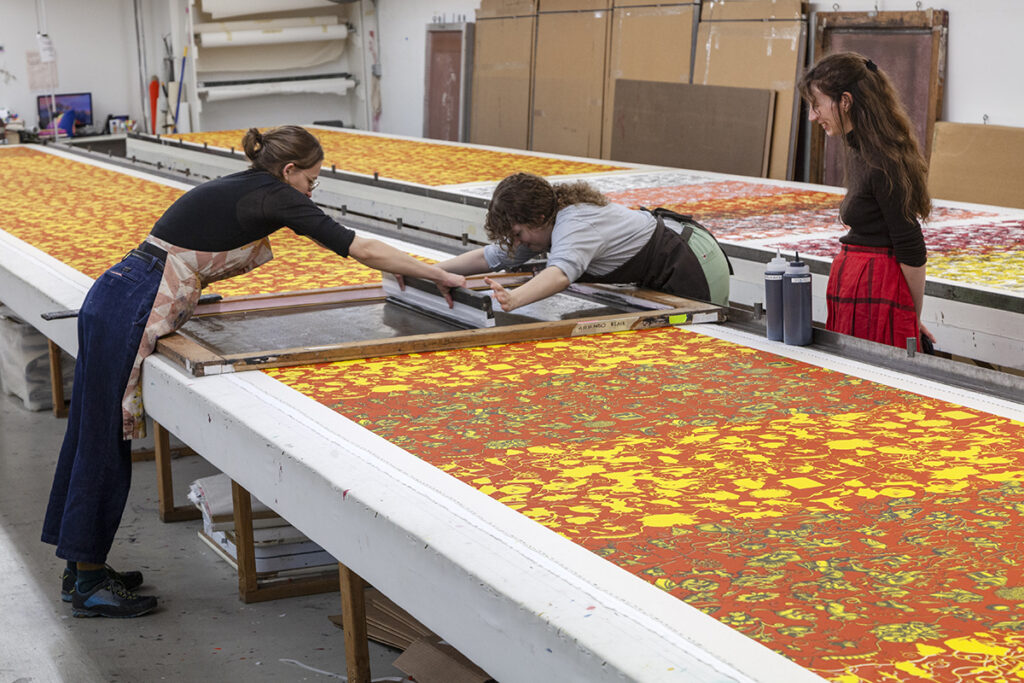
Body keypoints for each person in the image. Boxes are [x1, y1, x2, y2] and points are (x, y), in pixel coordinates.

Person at [41, 125, 466, 618]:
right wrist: (438, 273)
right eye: (312, 179)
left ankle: (82, 569)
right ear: (289, 172)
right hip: (133, 302)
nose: (312, 189)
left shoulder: (246, 186)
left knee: (92, 434)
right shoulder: (275, 195)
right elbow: (358, 247)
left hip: (119, 292)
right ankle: (89, 581)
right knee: (102, 439)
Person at [437, 172, 731, 311]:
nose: (518, 242)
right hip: (666, 260)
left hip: (690, 260)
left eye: (518, 233)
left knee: (702, 336)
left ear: (539, 218)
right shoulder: (546, 222)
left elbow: (561, 274)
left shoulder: (574, 224)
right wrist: (434, 272)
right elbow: (492, 257)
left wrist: (515, 298)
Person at [799, 52, 935, 350]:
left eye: (816, 105)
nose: (812, 116)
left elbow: (911, 246)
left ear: (844, 101)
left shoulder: (881, 161)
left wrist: (908, 316)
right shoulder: (862, 149)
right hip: (863, 289)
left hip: (874, 289)